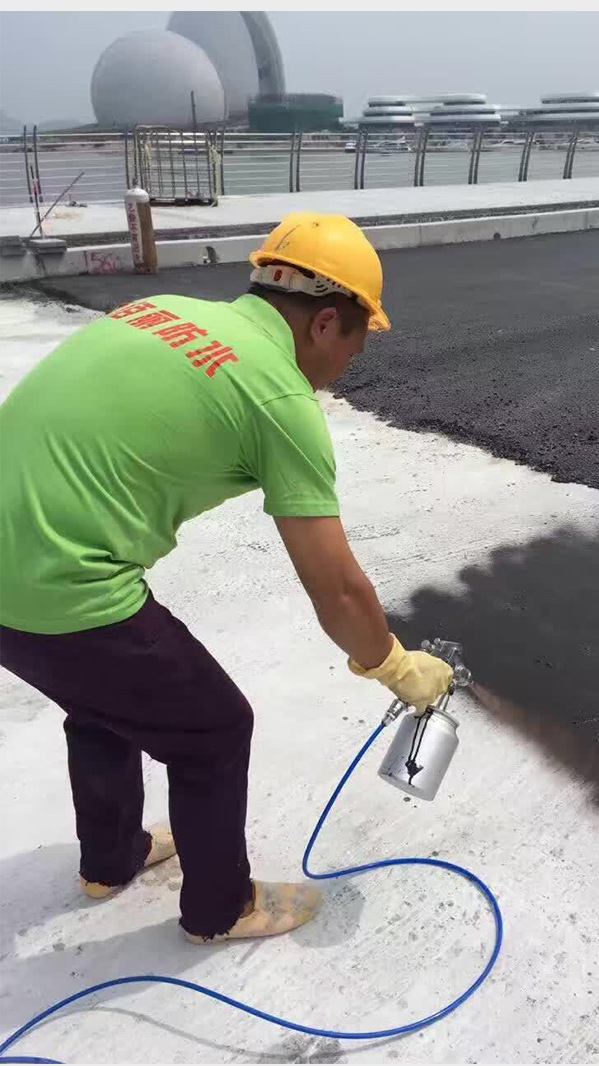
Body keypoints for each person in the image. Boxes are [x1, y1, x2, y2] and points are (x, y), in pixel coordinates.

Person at [0, 212, 453, 944]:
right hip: (60, 585)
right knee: (213, 729)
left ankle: (110, 860)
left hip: (14, 580)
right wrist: (394, 665)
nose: (353, 358)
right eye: (358, 339)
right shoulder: (279, 398)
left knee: (101, 698)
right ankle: (221, 908)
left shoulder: (161, 311)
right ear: (325, 322)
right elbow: (337, 589)